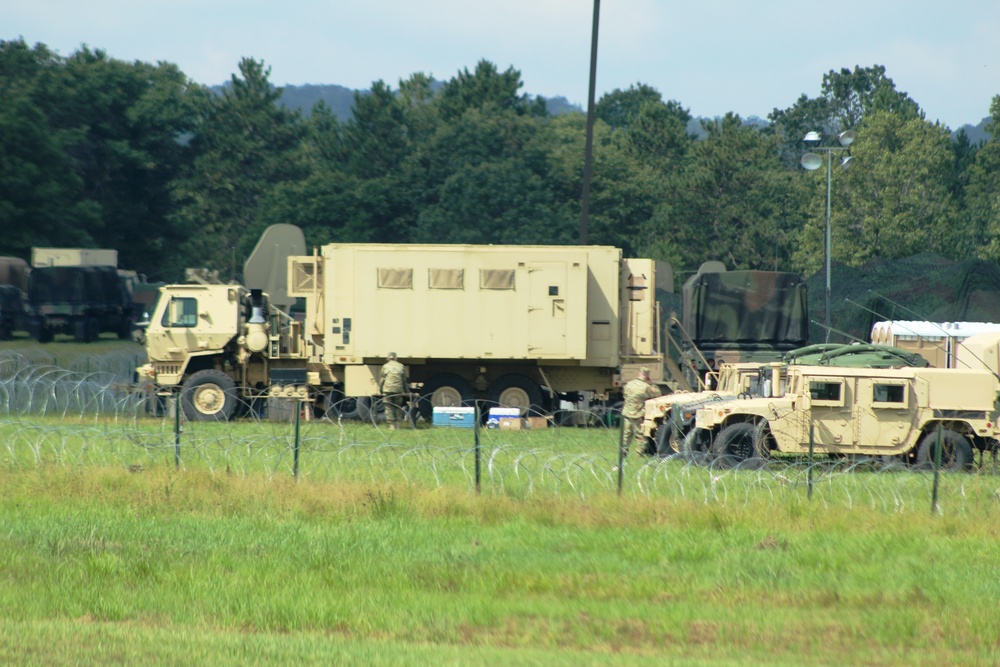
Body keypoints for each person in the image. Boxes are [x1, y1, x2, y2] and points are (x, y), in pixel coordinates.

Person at [620, 366, 661, 458]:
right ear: (647, 376)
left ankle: (622, 454)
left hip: (627, 413)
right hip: (638, 414)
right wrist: (652, 384)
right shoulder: (646, 387)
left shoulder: (628, 384)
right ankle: (639, 455)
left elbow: (625, 395)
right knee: (640, 436)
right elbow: (657, 394)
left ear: (639, 373)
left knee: (626, 435)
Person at [378, 352, 409, 429]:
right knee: (398, 406)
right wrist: (406, 391)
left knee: (388, 407)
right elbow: (403, 380)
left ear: (388, 358)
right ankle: (398, 425)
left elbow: (382, 379)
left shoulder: (385, 366)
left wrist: (380, 389)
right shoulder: (401, 366)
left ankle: (391, 425)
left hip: (387, 389)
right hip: (398, 389)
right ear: (396, 358)